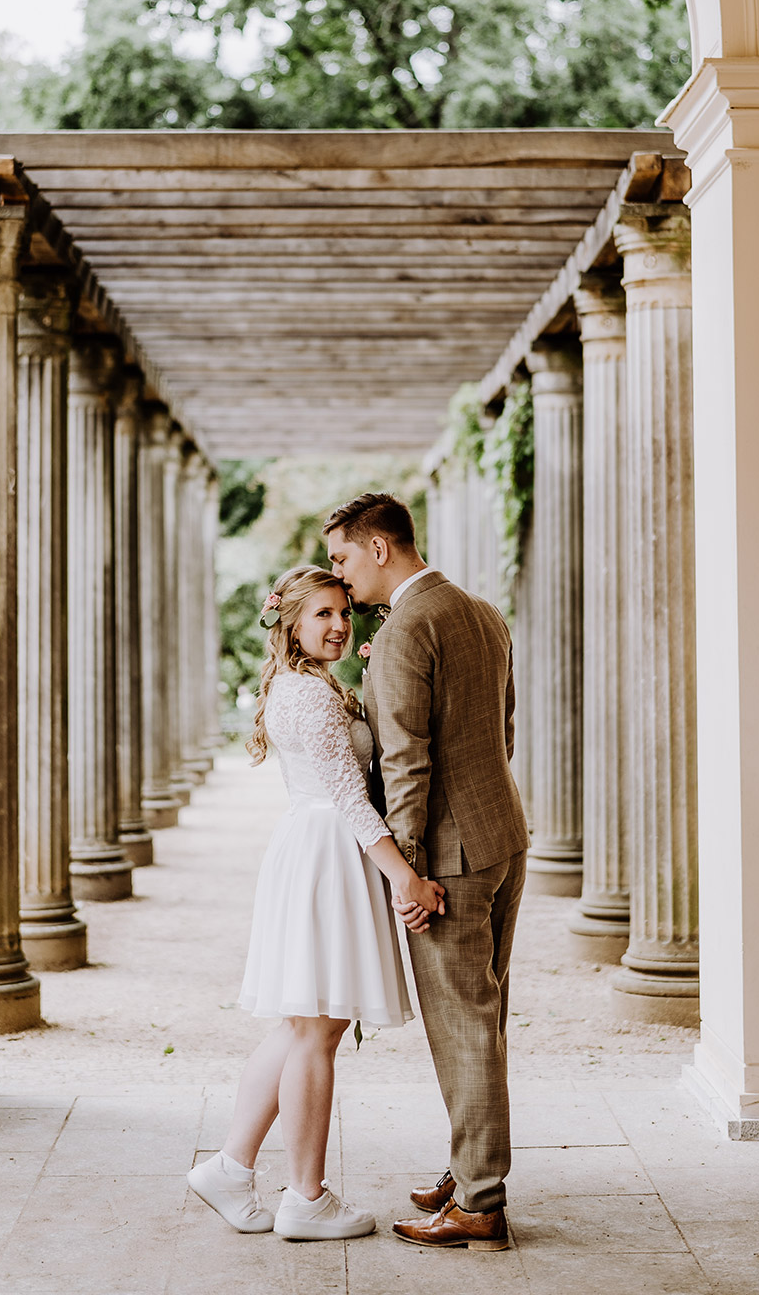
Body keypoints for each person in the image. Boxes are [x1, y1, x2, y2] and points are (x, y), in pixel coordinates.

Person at [187, 564, 445, 1242]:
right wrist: (404, 879)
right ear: (291, 624)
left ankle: (230, 1168)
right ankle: (305, 1197)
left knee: (307, 1028)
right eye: (322, 615)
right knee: (315, 1032)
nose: (338, 626)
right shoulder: (307, 695)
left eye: (343, 613)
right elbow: (349, 800)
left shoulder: (312, 684)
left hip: (323, 850)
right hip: (328, 853)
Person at [324, 493, 529, 1253]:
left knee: (464, 1027)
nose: (341, 581)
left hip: (451, 856)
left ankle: (479, 1202)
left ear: (381, 548)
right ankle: (468, 1165)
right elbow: (501, 723)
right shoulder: (478, 609)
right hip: (503, 833)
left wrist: (405, 871)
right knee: (487, 1018)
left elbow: (405, 760)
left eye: (344, 559)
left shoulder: (409, 625)